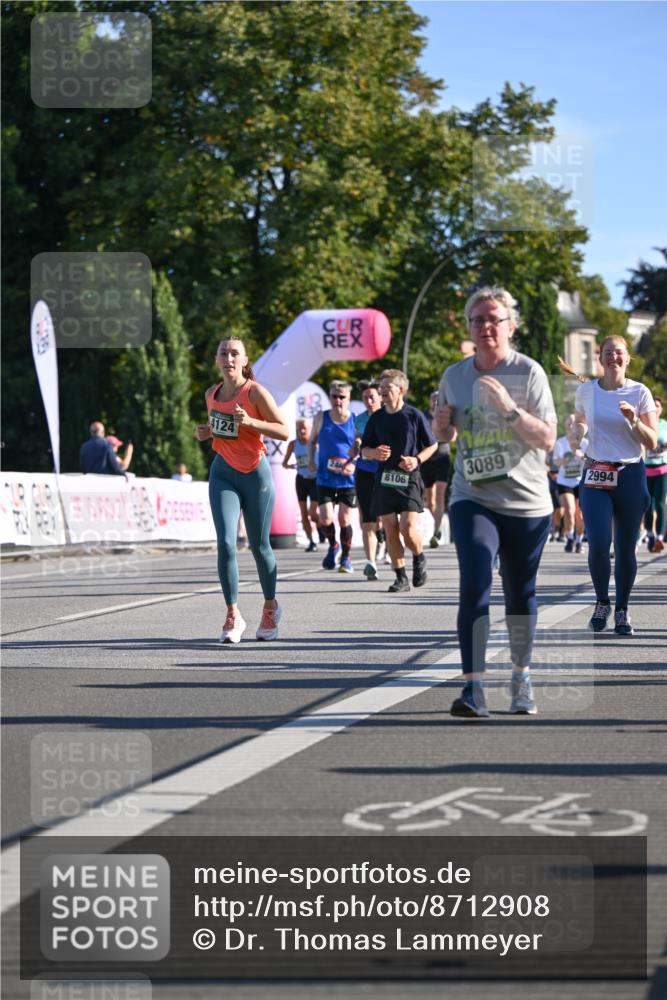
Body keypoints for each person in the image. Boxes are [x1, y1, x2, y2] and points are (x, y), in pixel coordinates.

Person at [433, 286, 557, 719]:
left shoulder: (529, 373)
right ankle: (473, 689)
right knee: (474, 581)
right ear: (469, 327)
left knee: (520, 593)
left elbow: (547, 438)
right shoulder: (455, 375)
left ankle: (521, 676)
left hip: (525, 502)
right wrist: (442, 426)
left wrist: (507, 408)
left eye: (494, 319)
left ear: (510, 326)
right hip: (473, 495)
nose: (486, 326)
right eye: (478, 319)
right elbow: (446, 436)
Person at [195, 338, 288, 643]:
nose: (229, 358)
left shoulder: (255, 392)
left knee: (260, 546)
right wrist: (206, 432)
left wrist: (251, 420)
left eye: (235, 353)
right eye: (223, 353)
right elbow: (223, 430)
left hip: (255, 474)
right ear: (216, 359)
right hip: (223, 473)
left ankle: (271, 606)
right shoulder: (211, 394)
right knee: (225, 542)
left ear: (245, 360)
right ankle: (233, 614)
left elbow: (284, 430)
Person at [567, 336, 657, 635]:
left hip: (630, 473)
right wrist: (577, 432)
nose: (613, 358)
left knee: (625, 547)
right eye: (607, 353)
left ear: (627, 358)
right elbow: (581, 419)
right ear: (600, 358)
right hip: (595, 472)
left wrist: (633, 420)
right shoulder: (586, 390)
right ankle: (602, 602)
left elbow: (652, 441)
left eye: (619, 353)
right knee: (598, 541)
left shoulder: (640, 392)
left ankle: (622, 609)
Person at [361, 369, 437, 592]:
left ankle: (419, 556)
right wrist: (374, 453)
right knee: (391, 528)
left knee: (408, 527)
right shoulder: (376, 418)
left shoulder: (413, 415)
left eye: (387, 387)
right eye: (381, 387)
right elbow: (365, 449)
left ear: (401, 390)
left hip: (409, 477)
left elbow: (432, 444)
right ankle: (400, 577)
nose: (382, 391)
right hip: (385, 478)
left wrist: (417, 459)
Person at [309, 381, 357, 574]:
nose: (338, 400)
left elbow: (360, 449)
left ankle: (345, 558)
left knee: (344, 519)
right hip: (325, 477)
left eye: (342, 397)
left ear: (348, 399)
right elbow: (312, 440)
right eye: (334, 396)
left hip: (347, 479)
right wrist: (311, 459)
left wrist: (353, 463)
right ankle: (333, 545)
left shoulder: (355, 420)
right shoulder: (321, 417)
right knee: (326, 518)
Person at [353, 381, 383, 580]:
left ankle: (383, 536)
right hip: (364, 470)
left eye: (372, 396)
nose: (369, 401)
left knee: (384, 517)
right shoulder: (360, 419)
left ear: (380, 397)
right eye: (365, 398)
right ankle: (371, 562)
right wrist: (356, 444)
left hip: (385, 471)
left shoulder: (389, 417)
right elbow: (356, 438)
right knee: (368, 519)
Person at [282, 418, 322, 552]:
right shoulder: (293, 444)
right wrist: (290, 465)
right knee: (304, 513)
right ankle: (311, 541)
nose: (302, 431)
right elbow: (284, 463)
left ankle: (322, 527)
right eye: (300, 429)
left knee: (313, 513)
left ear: (309, 430)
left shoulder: (315, 443)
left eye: (304, 428)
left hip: (315, 479)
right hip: (301, 479)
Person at [552, 415, 588, 553]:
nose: (570, 425)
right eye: (568, 422)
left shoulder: (584, 443)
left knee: (580, 514)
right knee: (569, 510)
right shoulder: (560, 442)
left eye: (573, 423)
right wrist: (562, 462)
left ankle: (579, 540)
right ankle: (570, 536)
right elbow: (555, 461)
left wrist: (581, 455)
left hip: (580, 481)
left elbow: (591, 460)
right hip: (565, 481)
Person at [422, 390, 451, 548]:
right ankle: (437, 523)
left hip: (442, 458)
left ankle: (436, 531)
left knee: (439, 495)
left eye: (438, 400)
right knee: (430, 500)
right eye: (433, 399)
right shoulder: (424, 416)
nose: (435, 402)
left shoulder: (445, 416)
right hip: (427, 460)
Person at [643, 395, 667, 553]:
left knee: (659, 503)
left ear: (661, 409)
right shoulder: (644, 422)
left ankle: (659, 537)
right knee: (647, 504)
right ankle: (650, 534)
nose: (656, 408)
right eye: (653, 405)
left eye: (658, 405)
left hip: (662, 469)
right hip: (645, 469)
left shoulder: (665, 425)